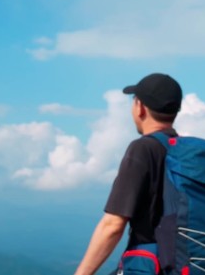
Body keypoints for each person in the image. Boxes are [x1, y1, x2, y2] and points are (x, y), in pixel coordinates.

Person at [73, 73, 183, 275]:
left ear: (140, 107)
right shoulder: (185, 153)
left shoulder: (143, 149)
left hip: (151, 267)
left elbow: (113, 225)